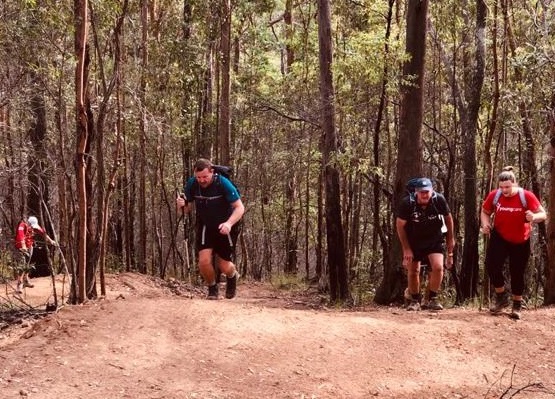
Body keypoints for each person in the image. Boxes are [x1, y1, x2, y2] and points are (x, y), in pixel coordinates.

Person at [480, 166, 547, 320]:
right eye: (502, 187)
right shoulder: (495, 196)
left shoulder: (526, 196)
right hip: (500, 235)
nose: (504, 190)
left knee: (517, 271)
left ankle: (517, 303)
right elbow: (485, 211)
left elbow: (543, 214)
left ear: (515, 184)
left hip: (520, 239)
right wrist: (485, 224)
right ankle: (501, 296)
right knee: (492, 264)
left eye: (508, 187)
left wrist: (534, 217)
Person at [176, 158, 244, 299]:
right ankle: (212, 289)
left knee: (224, 265)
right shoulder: (192, 184)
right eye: (199, 177)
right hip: (206, 225)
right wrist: (181, 204)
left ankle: (232, 276)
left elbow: (240, 207)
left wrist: (229, 224)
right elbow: (185, 210)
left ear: (212, 172)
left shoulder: (223, 184)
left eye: (205, 177)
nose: (202, 180)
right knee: (204, 261)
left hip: (225, 225)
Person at [396, 178, 455, 311]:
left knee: (438, 267)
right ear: (416, 192)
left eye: (427, 192)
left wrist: (450, 239)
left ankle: (432, 298)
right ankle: (414, 300)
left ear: (432, 191)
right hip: (413, 240)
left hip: (434, 238)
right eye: (421, 192)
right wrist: (406, 248)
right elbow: (400, 226)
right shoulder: (407, 203)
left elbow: (449, 219)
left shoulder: (438, 200)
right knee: (414, 270)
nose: (424, 195)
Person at [14, 216, 56, 294]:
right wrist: (23, 245)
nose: (33, 228)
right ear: (29, 223)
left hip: (29, 247)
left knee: (27, 264)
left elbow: (43, 233)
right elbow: (21, 235)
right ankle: (19, 285)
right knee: (22, 265)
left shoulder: (34, 226)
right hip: (20, 248)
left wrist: (50, 240)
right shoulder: (22, 225)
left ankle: (26, 281)